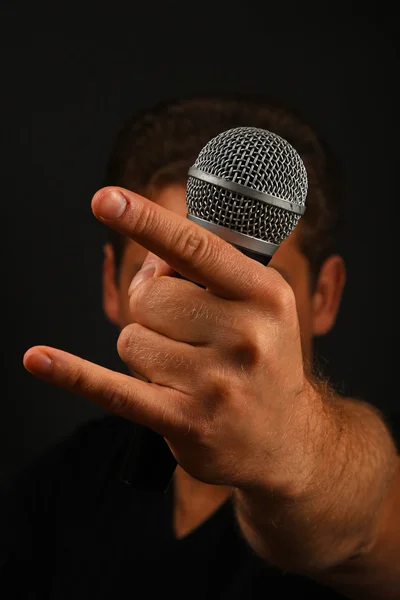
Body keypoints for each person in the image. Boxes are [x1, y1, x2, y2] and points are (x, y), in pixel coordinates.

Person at [2, 96, 399, 599]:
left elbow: (372, 519)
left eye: (243, 284)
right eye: (167, 274)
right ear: (110, 283)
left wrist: (304, 454)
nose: (199, 309)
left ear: (325, 295)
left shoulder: (362, 478)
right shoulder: (55, 491)